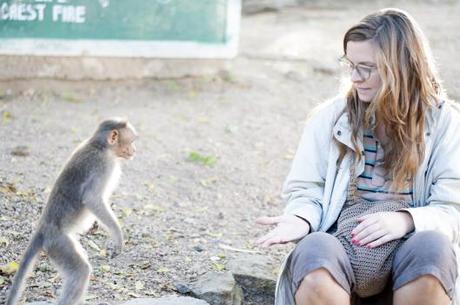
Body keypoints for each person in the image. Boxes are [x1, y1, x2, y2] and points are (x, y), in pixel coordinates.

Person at [256, 8, 460, 305]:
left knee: (433, 248)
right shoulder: (330, 118)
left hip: (410, 252)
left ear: (402, 67)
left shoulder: (446, 123)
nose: (355, 77)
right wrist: (301, 218)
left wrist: (404, 220)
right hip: (344, 248)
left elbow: (453, 208)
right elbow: (306, 189)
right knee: (314, 250)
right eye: (350, 65)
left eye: (366, 67)